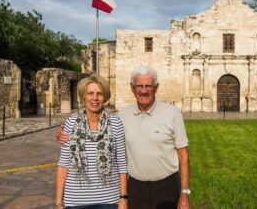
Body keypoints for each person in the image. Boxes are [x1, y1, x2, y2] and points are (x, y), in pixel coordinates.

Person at [57, 66, 191, 209]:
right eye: (139, 86)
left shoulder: (172, 113)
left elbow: (183, 156)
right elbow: (65, 162)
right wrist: (61, 132)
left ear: (156, 88)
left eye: (148, 86)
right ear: (132, 88)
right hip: (135, 188)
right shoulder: (121, 116)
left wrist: (185, 192)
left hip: (167, 186)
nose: (144, 90)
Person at [55, 75, 128, 209]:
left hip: (109, 200)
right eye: (90, 93)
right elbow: (63, 164)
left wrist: (123, 197)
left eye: (99, 94)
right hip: (76, 201)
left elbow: (122, 164)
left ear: (104, 97)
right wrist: (59, 202)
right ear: (84, 96)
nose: (95, 98)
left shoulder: (116, 124)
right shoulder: (71, 123)